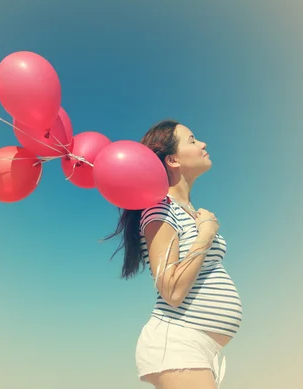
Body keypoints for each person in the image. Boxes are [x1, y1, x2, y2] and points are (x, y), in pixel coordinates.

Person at [104, 119, 243, 389]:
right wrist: (205, 234)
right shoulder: (160, 210)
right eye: (192, 140)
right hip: (178, 342)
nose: (203, 144)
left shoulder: (183, 210)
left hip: (198, 347)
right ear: (173, 160)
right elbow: (172, 290)